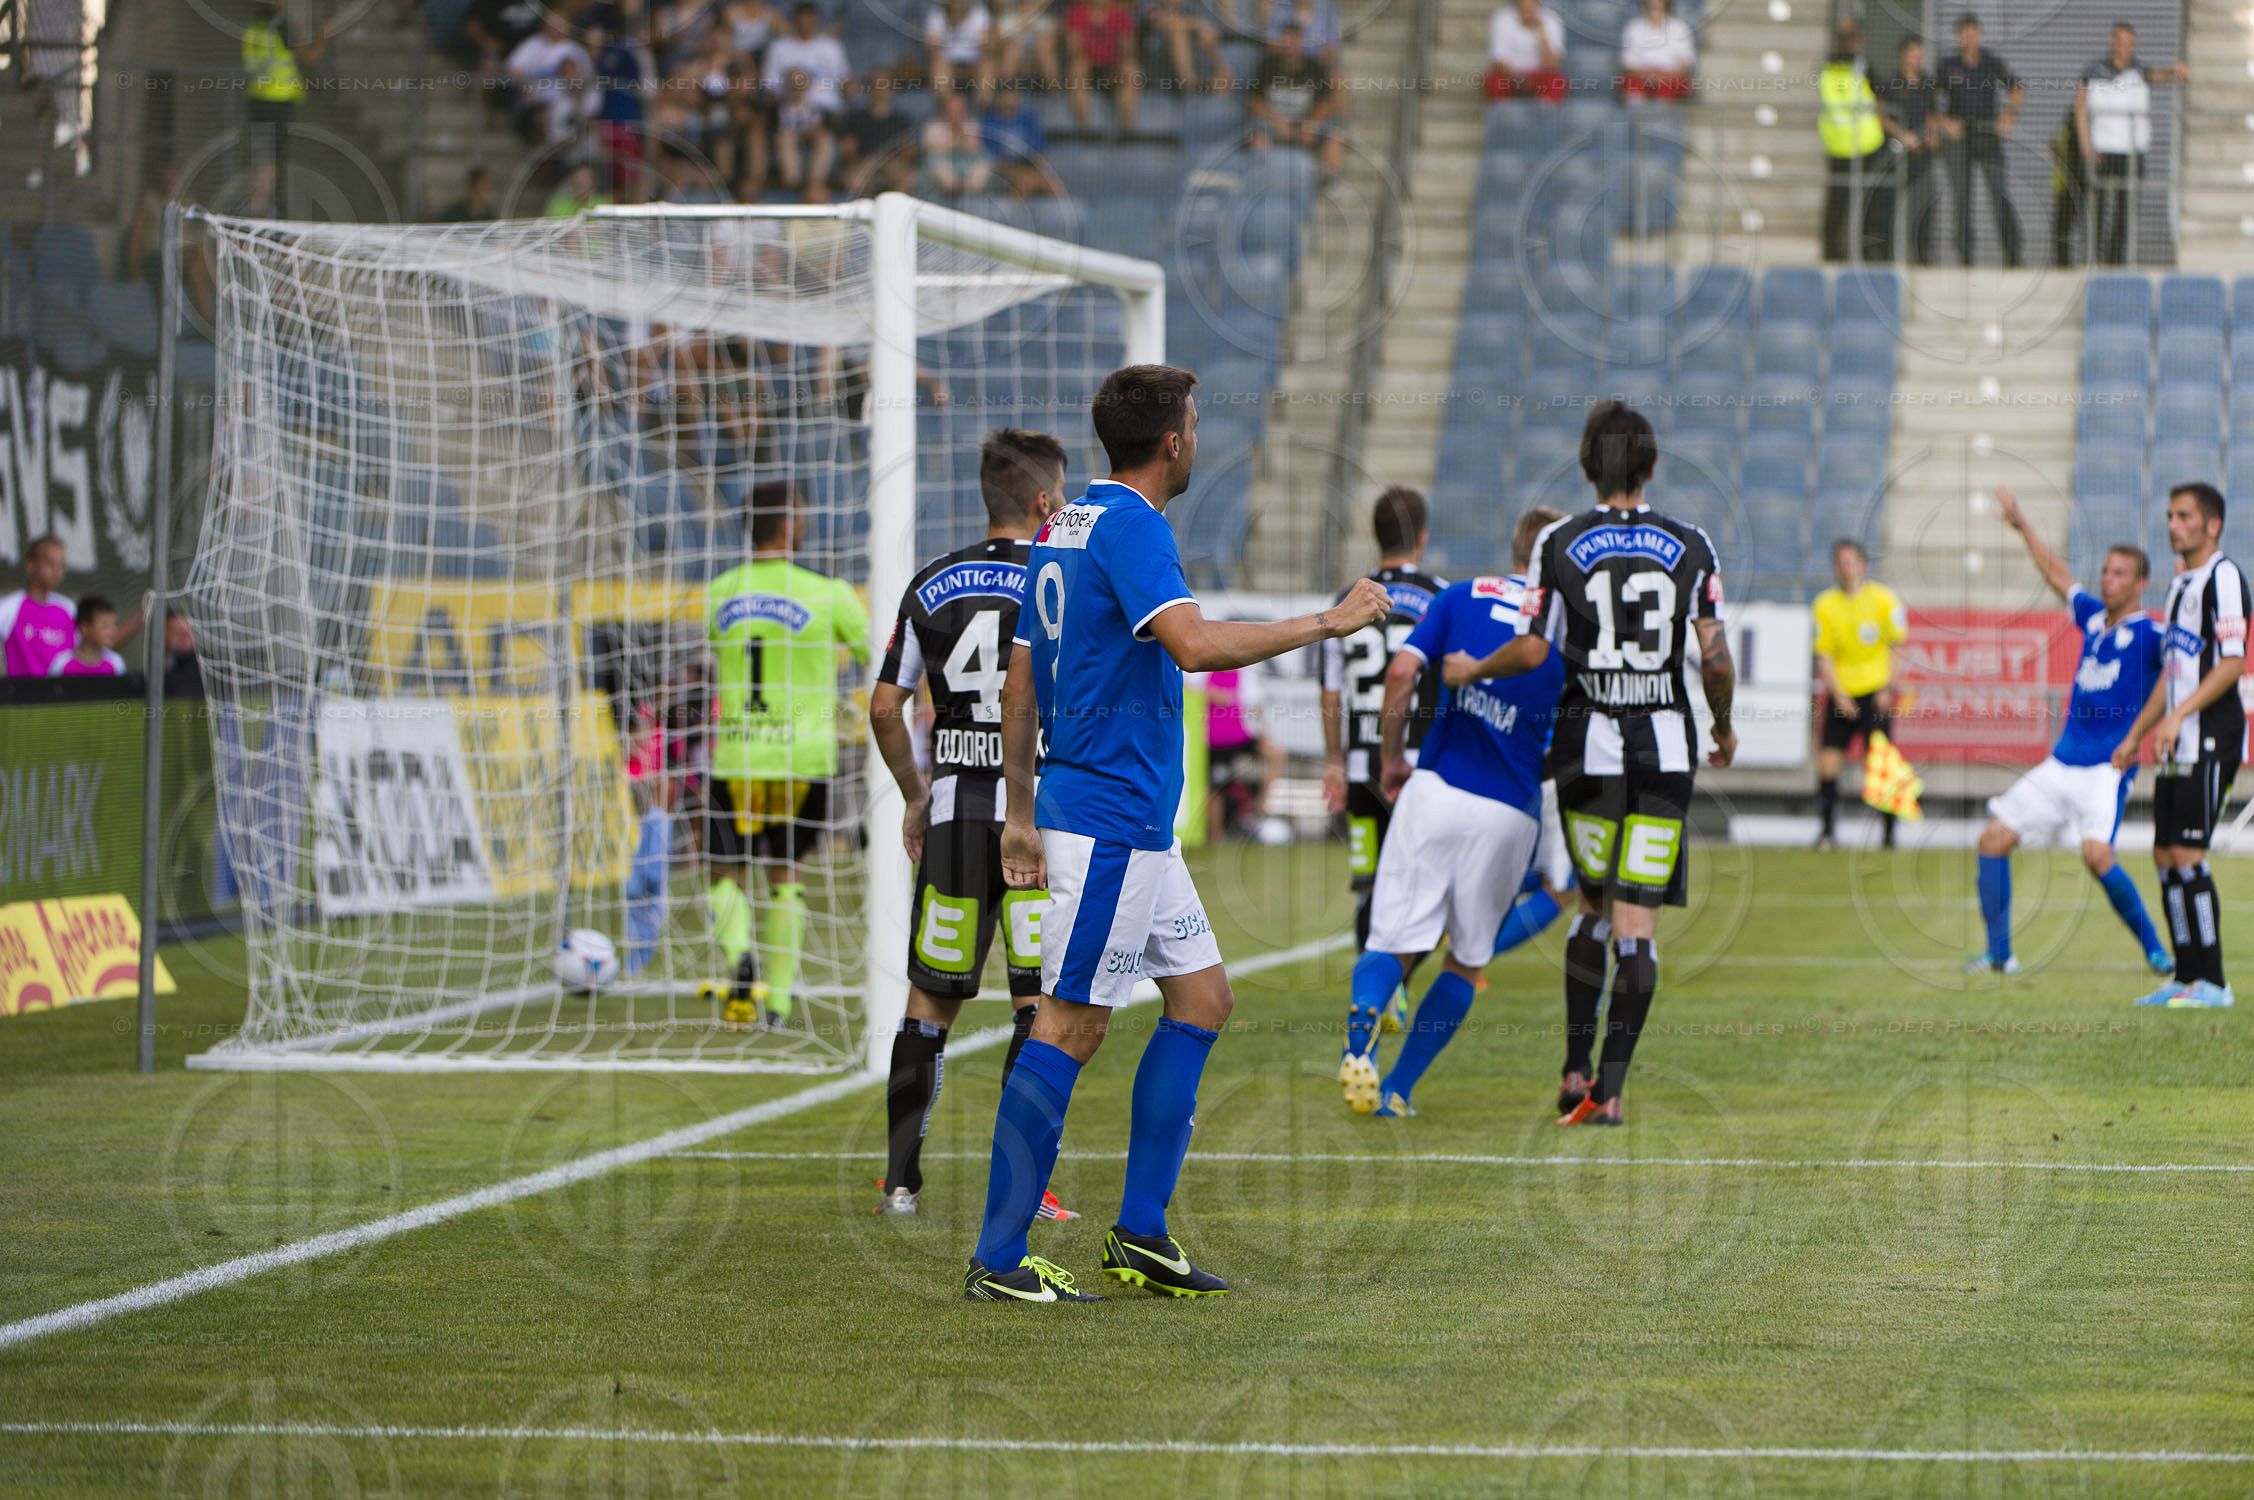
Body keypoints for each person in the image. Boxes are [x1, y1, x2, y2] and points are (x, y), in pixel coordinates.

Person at [963, 364, 1390, 1301]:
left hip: (1128, 823)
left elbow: (1020, 678)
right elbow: (1193, 647)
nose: (1197, 437)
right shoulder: (1131, 526)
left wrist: (1023, 812)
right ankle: (998, 1259)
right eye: (1194, 423)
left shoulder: (1062, 524)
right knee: (1070, 1025)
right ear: (1172, 442)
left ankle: (1141, 1235)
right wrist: (1332, 620)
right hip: (1109, 820)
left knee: (1202, 999)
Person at [1445, 402, 1736, 1126]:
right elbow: (1715, 658)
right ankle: (1609, 1093)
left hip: (1588, 752)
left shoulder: (1558, 541)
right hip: (1665, 754)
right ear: (1652, 466)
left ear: (1585, 466)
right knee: (1638, 923)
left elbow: (1533, 648)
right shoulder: (1692, 544)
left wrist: (1472, 668)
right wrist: (1723, 726)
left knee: (1593, 905)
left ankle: (1574, 1069)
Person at [870, 429, 1077, 1223]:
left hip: (955, 820)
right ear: (1043, 501)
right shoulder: (1060, 580)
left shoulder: (931, 581)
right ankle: (1028, 1190)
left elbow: (885, 708)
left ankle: (901, 1183)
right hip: (1036, 826)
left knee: (929, 1005)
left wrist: (914, 795)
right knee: (1038, 1007)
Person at [1338, 505, 1568, 1119]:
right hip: (1509, 808)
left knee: (1390, 939)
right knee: (1466, 960)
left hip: (1435, 789)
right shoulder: (1565, 627)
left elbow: (1402, 672)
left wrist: (1391, 757)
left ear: (1515, 545)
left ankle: (1359, 1045)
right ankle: (1397, 1091)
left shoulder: (1460, 595)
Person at [1969, 488, 2167, 978]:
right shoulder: (2094, 620)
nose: (2108, 579)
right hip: (2061, 764)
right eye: (2106, 571)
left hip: (2106, 768)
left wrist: (2150, 731)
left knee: (2096, 856)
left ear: (2140, 583)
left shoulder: (2151, 636)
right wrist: (2022, 525)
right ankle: (1999, 956)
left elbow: (2181, 672)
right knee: (1992, 840)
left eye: (2119, 573)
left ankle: (2155, 950)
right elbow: (2058, 574)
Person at [703, 482, 871, 1030]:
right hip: (804, 759)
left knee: (723, 875)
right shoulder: (828, 594)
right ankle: (776, 1003)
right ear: (790, 523)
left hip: (738, 758)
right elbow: (878, 654)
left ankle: (738, 956)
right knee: (787, 877)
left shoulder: (719, 592)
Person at [2112, 483, 2248, 1009]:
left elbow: (2232, 663)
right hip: (2178, 738)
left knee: (2189, 854)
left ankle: (2214, 982)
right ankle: (2185, 976)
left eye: (2184, 516)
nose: (2173, 525)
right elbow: (2171, 675)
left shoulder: (2224, 576)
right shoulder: (2178, 586)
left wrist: (2179, 716)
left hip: (2211, 736)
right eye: (2170, 515)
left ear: (2212, 525)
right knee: (2165, 854)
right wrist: (2136, 734)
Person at [1320, 487, 1448, 983]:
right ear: (1423, 536)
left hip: (1360, 770)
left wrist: (1335, 761)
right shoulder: (1439, 596)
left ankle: (1370, 994)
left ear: (1377, 536)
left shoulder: (1345, 601)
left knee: (1371, 888)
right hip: (1419, 768)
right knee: (1425, 888)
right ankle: (1396, 988)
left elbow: (1331, 693)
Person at [1810, 540, 1907, 849]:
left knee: (1881, 765)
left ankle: (1889, 834)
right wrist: (1838, 695)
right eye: (1841, 562)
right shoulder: (1825, 604)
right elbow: (1824, 655)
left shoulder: (1883, 599)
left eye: (1852, 561)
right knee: (1828, 763)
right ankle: (1827, 833)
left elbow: (1898, 647)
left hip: (1875, 694)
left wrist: (1887, 688)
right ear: (1835, 567)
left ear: (1863, 565)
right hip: (1842, 694)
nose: (1847, 568)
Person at [2076, 23, 2188, 267]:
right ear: (2112, 42)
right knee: (2097, 206)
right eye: (2121, 41)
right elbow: (2081, 109)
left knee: (2126, 209)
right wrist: (2086, 145)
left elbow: (2157, 75)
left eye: (2130, 42)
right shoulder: (2094, 71)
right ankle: (2093, 260)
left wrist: (2173, 71)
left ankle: (2117, 262)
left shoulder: (2138, 71)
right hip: (2103, 150)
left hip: (2132, 153)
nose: (2125, 47)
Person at [1938, 14, 2023, 268]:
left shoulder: (1991, 63)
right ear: (1958, 36)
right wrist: (1944, 123)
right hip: (1959, 139)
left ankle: (2013, 255)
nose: (1969, 37)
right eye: (1964, 33)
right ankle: (1965, 258)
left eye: (1973, 32)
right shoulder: (1948, 65)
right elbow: (1928, 99)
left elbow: (2017, 89)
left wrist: (2008, 115)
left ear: (1980, 34)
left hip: (1987, 136)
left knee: (1999, 194)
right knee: (1961, 198)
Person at [1819, 23, 1891, 264]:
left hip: (1839, 145)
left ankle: (1833, 252)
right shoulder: (1862, 68)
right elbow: (1879, 101)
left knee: (1838, 202)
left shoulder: (1827, 68)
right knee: (1869, 202)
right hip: (1865, 144)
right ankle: (1867, 251)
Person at [241, 0, 331, 183]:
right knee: (273, 159)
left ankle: (254, 198)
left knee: (259, 156)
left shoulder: (255, 25)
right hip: (279, 101)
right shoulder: (282, 25)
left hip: (256, 100)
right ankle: (264, 199)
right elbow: (310, 57)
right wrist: (325, 33)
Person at [1248, 22, 1346, 188]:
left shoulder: (1314, 67)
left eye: (1295, 40)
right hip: (1275, 122)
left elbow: (1325, 102)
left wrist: (1312, 123)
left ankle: (1330, 183)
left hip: (1305, 123)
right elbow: (1254, 101)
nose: (1290, 45)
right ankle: (1263, 181)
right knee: (1257, 137)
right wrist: (1278, 122)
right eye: (1286, 40)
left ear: (1302, 42)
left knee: (1336, 136)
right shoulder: (1267, 65)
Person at [1877, 35, 1941, 265]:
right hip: (1896, 153)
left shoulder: (1927, 83)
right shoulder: (1890, 81)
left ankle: (1924, 257)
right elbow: (1880, 115)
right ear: (1903, 55)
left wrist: (1931, 136)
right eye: (1913, 54)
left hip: (1922, 154)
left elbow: (1932, 116)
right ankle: (1885, 256)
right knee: (1889, 205)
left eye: (1920, 54)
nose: (1917, 58)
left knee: (1926, 204)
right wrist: (1903, 135)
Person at [1, 535, 78, 678]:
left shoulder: (68, 608)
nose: (57, 571)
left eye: (62, 566)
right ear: (30, 565)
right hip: (23, 690)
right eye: (51, 564)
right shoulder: (10, 607)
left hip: (65, 690)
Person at [762, 3, 852, 118]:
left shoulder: (831, 46)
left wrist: (850, 87)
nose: (806, 23)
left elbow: (844, 78)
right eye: (803, 18)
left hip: (826, 108)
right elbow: (770, 84)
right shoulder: (778, 47)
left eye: (810, 19)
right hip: (791, 111)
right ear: (795, 20)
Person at [1062, 0, 1140, 131]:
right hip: (1087, 68)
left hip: (1113, 67)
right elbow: (1073, 49)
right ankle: (1084, 128)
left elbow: (1128, 49)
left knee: (1131, 68)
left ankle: (1127, 128)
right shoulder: (1077, 13)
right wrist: (1085, 59)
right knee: (1077, 68)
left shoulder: (1120, 14)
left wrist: (1121, 59)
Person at [981, 85, 1059, 197]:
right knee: (1023, 182)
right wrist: (1018, 172)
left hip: (1029, 167)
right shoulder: (989, 123)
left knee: (1055, 186)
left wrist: (1033, 172)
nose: (1009, 99)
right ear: (999, 98)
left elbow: (1040, 154)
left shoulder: (1029, 120)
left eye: (1013, 95)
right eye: (1005, 96)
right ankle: (1015, 208)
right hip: (1004, 169)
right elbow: (992, 159)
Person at [918, 89, 995, 200]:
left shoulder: (971, 125)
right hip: (942, 162)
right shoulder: (933, 127)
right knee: (937, 163)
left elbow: (976, 148)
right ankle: (954, 191)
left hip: (967, 162)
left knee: (985, 161)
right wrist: (953, 136)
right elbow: (929, 150)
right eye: (952, 109)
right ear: (945, 110)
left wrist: (961, 133)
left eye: (959, 109)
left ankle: (969, 193)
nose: (955, 113)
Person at [1486, 0, 1566, 105]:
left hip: (1539, 75)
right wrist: (1520, 79)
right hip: (1510, 75)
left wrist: (1542, 36)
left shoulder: (1551, 19)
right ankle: (1503, 111)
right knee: (1494, 81)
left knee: (1557, 82)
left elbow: (1553, 64)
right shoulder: (1502, 19)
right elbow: (1499, 62)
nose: (1528, 9)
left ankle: (1545, 110)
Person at [1619, 0, 1695, 104]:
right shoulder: (1634, 27)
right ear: (1645, 7)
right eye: (1651, 6)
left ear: (1667, 7)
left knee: (1672, 86)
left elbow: (1683, 65)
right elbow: (1628, 64)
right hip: (1641, 75)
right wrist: (1649, 76)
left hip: (1670, 77)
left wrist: (1662, 78)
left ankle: (1665, 111)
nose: (1655, 10)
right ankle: (1636, 112)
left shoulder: (1680, 28)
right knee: (1631, 85)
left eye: (1659, 7)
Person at [925, 0, 996, 100]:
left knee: (987, 64)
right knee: (939, 64)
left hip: (974, 62)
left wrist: (987, 43)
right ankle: (946, 104)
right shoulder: (937, 14)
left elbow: (988, 45)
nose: (957, 3)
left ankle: (983, 105)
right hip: (947, 61)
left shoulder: (978, 12)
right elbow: (930, 46)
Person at [45, 595, 126, 677]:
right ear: (84, 628)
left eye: (114, 625)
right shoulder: (62, 663)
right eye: (106, 626)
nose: (113, 631)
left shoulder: (116, 663)